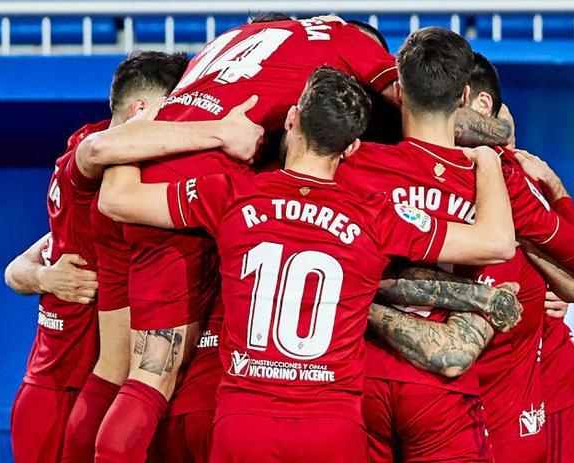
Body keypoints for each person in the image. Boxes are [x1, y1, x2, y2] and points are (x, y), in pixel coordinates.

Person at [97, 66, 517, 463]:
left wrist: (139, 130)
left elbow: (117, 199)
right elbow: (496, 242)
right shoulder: (375, 216)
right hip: (330, 427)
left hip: (245, 422)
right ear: (352, 147)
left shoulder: (231, 194)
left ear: (292, 118)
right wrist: (489, 160)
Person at [94, 15, 405, 461]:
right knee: (150, 377)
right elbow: (414, 97)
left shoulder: (228, 40)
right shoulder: (343, 37)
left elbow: (99, 156)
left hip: (154, 164)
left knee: (129, 372)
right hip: (180, 190)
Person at [3, 51, 263, 463]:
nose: (180, 123)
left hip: (72, 382)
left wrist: (33, 273)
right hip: (68, 386)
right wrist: (219, 131)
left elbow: (26, 258)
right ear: (141, 110)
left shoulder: (91, 160)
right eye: (173, 111)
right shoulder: (91, 156)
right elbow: (96, 153)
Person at [356, 49, 574, 463]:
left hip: (494, 408)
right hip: (443, 402)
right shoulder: (495, 175)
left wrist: (359, 299)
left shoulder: (363, 165)